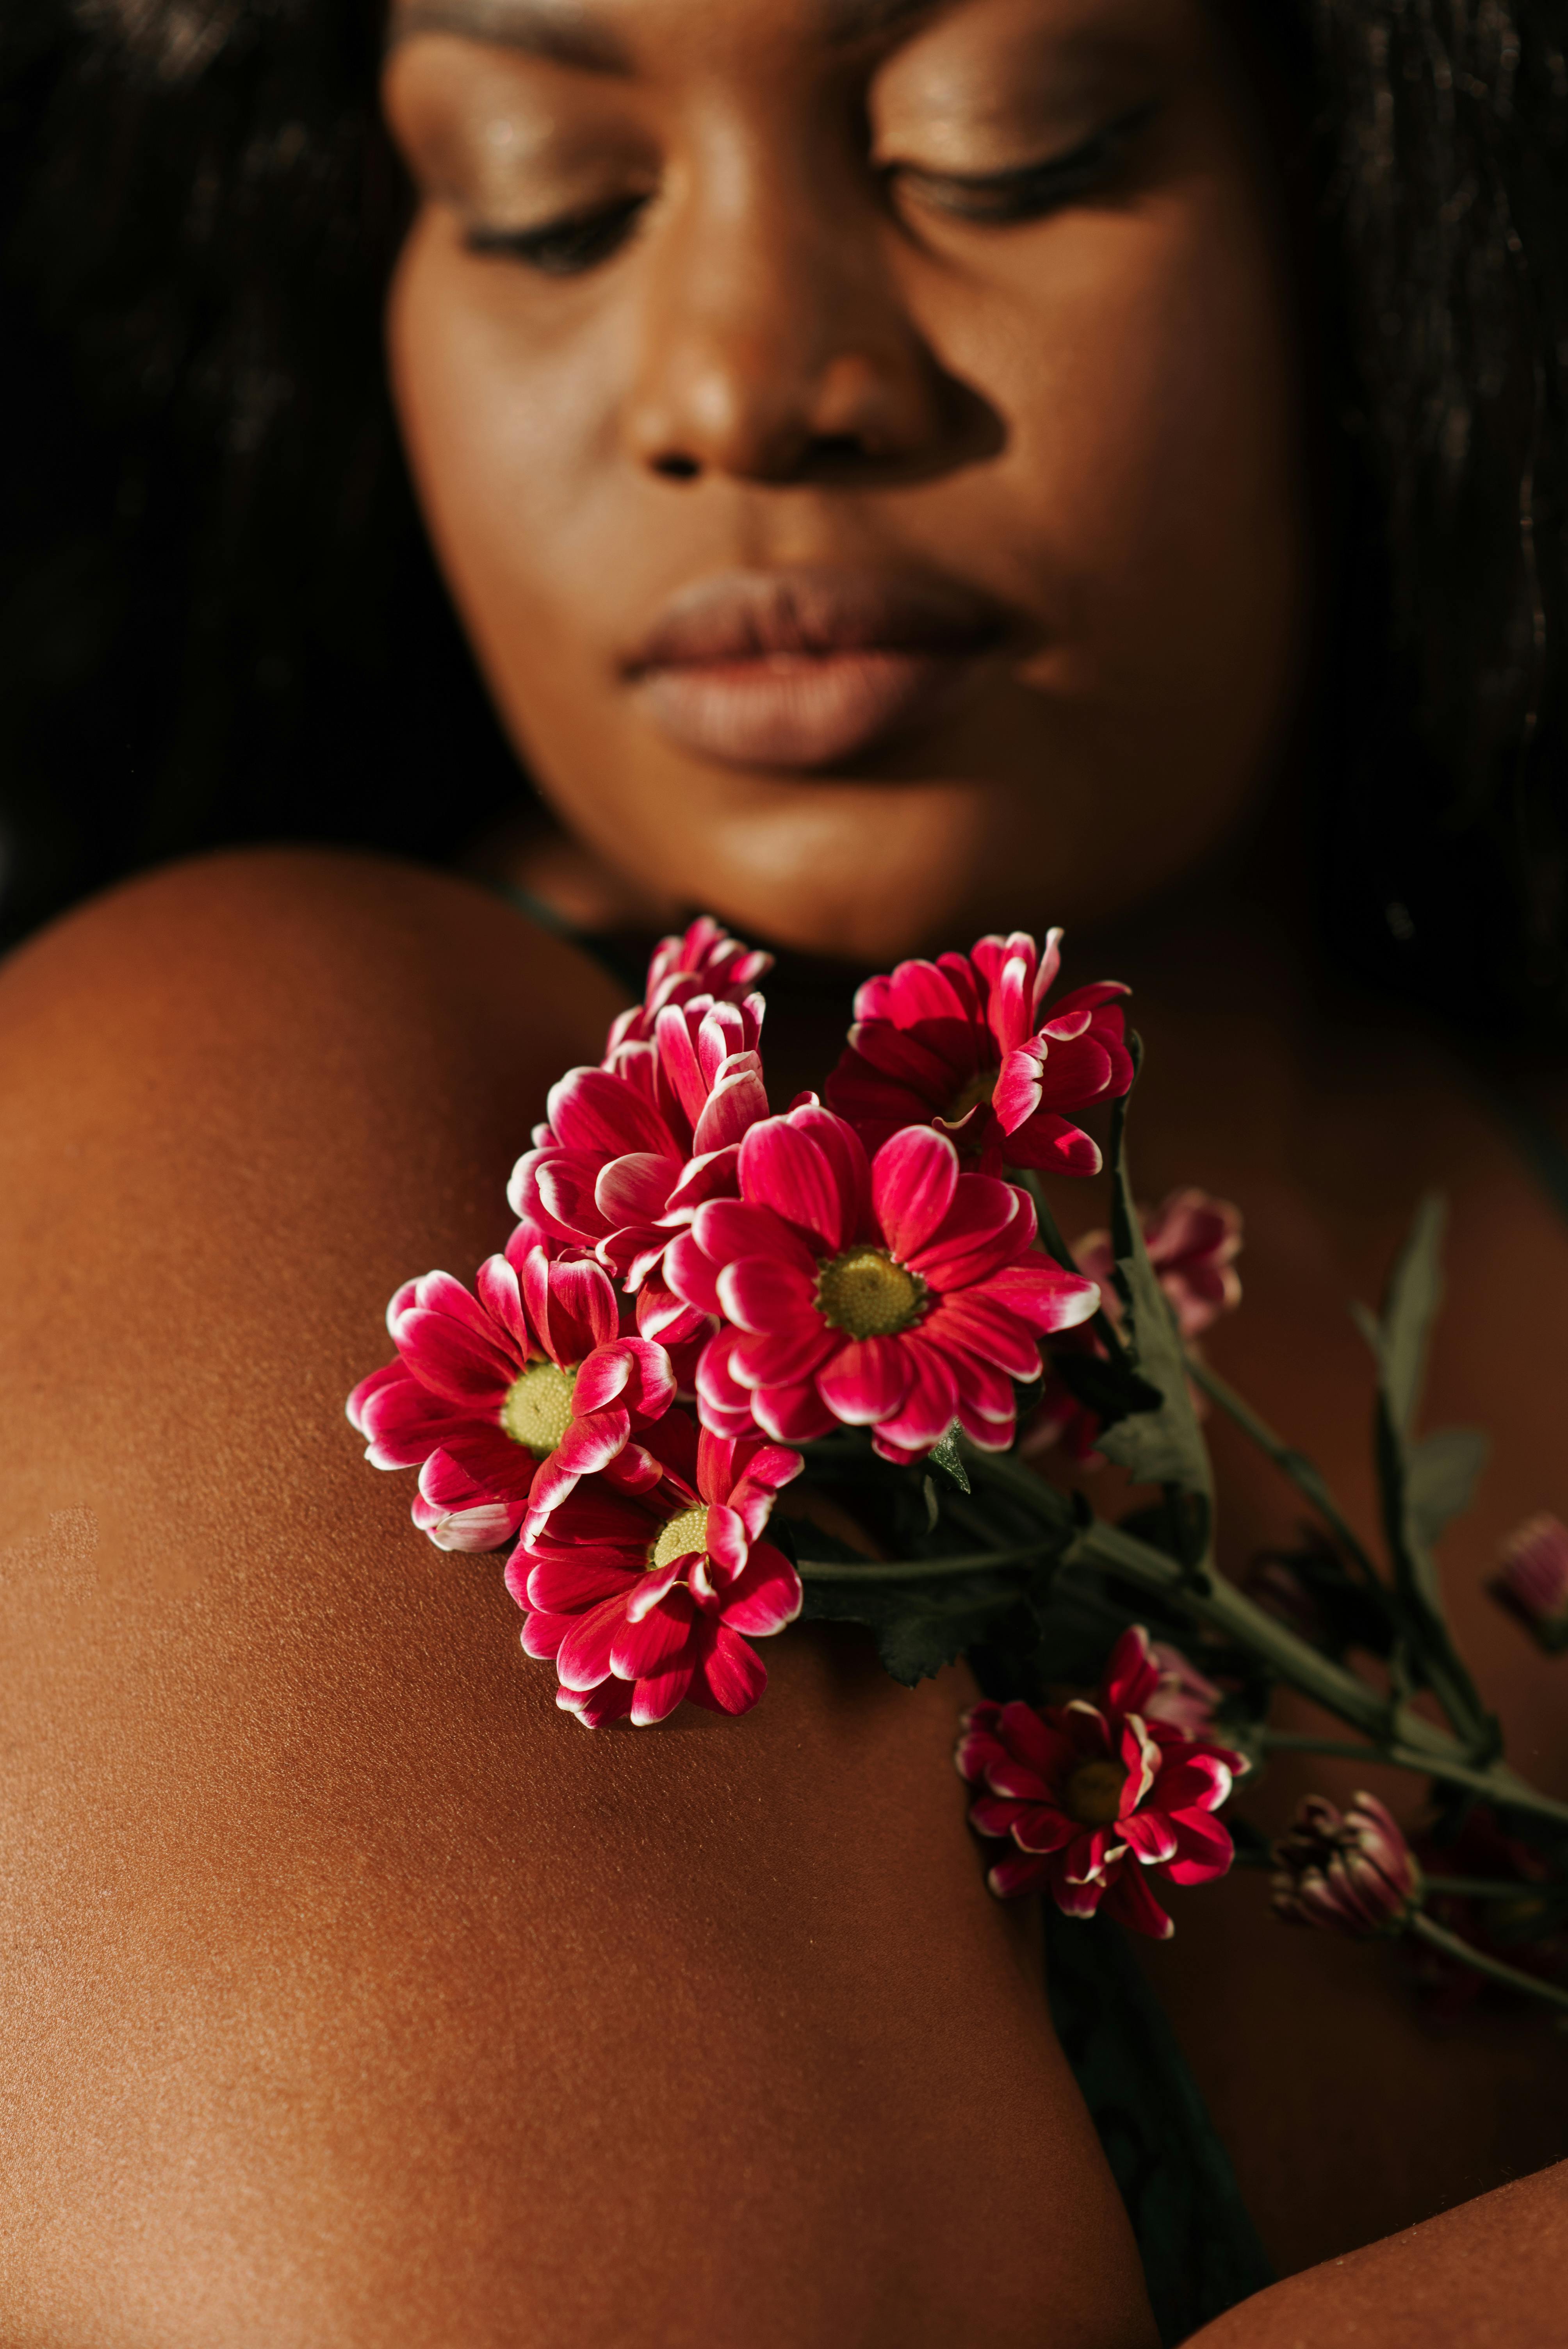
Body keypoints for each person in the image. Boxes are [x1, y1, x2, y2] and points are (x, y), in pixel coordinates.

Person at [1, 0, 1565, 2340]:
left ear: (1376, 186)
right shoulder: (245, 1090)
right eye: (552, 198)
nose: (747, 384)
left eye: (1006, 151)